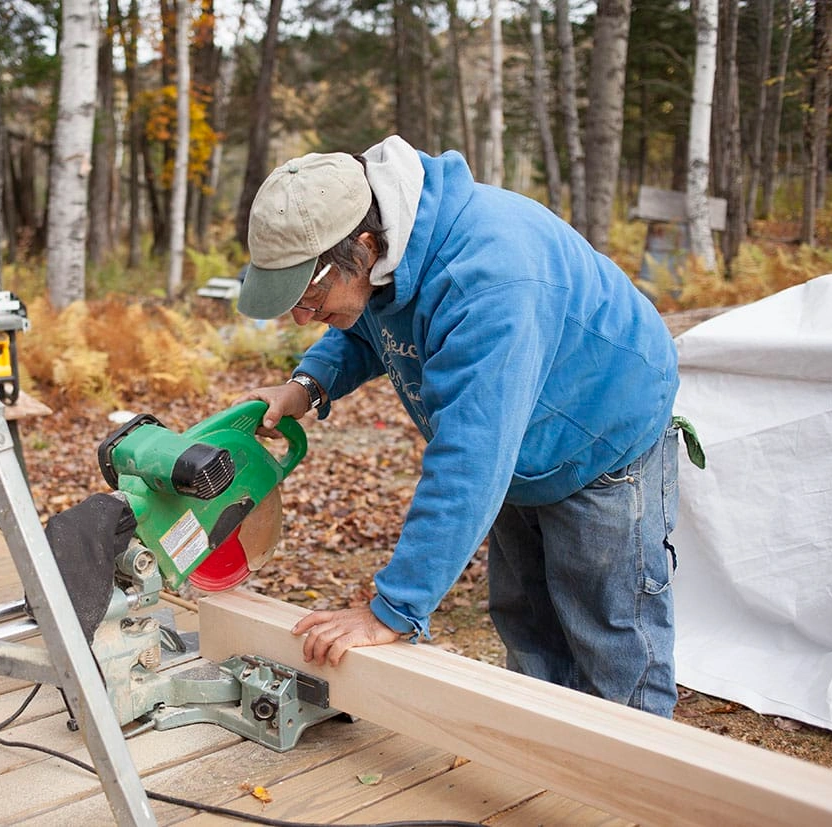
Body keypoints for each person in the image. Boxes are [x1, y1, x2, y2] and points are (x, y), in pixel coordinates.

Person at [234, 135, 683, 718]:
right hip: (521, 447)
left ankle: (640, 781)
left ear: (365, 247)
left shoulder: (490, 279)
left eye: (308, 295)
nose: (300, 315)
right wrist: (308, 385)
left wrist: (392, 609)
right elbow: (367, 324)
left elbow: (470, 461)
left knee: (610, 632)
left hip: (601, 436)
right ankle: (551, 762)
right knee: (528, 623)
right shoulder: (388, 251)